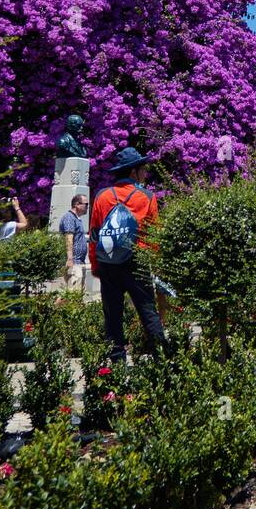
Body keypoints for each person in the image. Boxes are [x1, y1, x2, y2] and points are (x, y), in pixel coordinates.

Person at [88, 147, 168, 364]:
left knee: (113, 317)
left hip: (108, 263)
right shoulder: (147, 197)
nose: (145, 174)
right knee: (148, 312)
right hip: (137, 262)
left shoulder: (101, 197)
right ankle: (161, 362)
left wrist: (95, 264)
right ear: (133, 172)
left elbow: (94, 234)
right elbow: (153, 236)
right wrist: (153, 264)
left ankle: (116, 366)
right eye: (143, 169)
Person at [59, 193, 89, 292]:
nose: (87, 207)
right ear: (76, 204)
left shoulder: (77, 219)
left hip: (79, 261)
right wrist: (70, 258)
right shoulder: (69, 218)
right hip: (74, 261)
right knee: (72, 292)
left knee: (75, 291)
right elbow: (68, 238)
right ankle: (55, 307)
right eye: (86, 204)